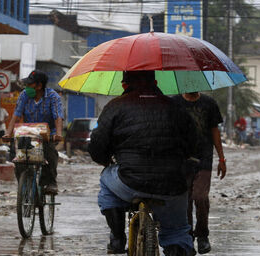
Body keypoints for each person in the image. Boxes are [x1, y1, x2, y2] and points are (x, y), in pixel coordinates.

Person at [89, 71, 198, 256]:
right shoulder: (176, 108)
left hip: (129, 182)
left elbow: (97, 145)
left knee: (106, 181)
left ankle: (117, 238)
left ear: (124, 85)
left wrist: (105, 160)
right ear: (155, 82)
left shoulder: (115, 106)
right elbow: (192, 145)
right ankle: (176, 247)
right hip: (171, 185)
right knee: (177, 232)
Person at [172, 92, 226, 255]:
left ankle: (202, 235)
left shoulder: (209, 103)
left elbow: (215, 131)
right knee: (185, 201)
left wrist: (221, 158)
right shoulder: (174, 103)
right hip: (181, 159)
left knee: (200, 197)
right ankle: (187, 237)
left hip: (204, 159)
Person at [4, 70, 63, 195]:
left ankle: (50, 182)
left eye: (30, 84)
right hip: (27, 132)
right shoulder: (24, 95)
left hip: (47, 134)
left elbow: (58, 116)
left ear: (39, 86)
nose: (27, 87)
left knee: (50, 153)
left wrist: (58, 133)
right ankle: (23, 182)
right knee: (17, 156)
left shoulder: (53, 97)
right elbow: (16, 115)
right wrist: (8, 133)